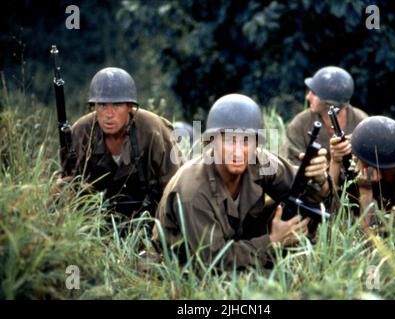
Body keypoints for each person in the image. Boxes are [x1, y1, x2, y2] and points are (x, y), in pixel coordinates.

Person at [152, 93, 333, 270]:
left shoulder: (260, 161)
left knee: (298, 206)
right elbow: (212, 261)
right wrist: (272, 242)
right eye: (229, 141)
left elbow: (309, 194)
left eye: (246, 141)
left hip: (236, 237)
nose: (238, 152)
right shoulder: (193, 190)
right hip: (186, 259)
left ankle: (296, 261)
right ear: (211, 142)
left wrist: (320, 180)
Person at [61, 67, 182, 218]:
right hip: (96, 220)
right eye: (102, 105)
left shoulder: (154, 131)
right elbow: (67, 184)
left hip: (149, 218)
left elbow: (175, 188)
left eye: (117, 105)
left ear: (129, 107)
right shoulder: (82, 132)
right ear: (94, 106)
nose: (109, 114)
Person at [282, 66, 368, 180]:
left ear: (329, 103)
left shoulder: (362, 124)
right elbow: (290, 169)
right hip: (312, 189)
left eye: (314, 93)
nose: (307, 97)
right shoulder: (299, 124)